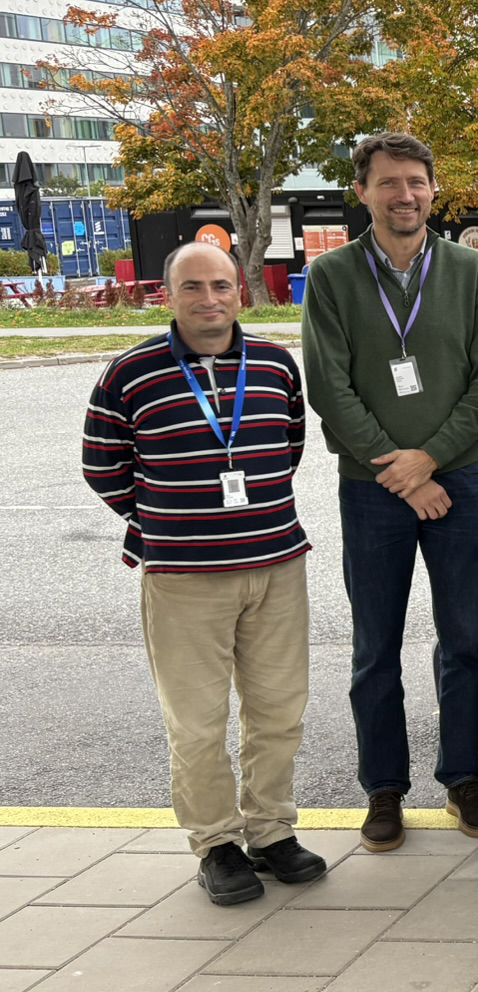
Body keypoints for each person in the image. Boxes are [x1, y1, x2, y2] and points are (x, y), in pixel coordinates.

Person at [82, 241, 327, 905]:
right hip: (184, 577)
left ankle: (271, 830)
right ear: (169, 293)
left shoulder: (276, 365)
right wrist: (167, 520)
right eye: (194, 287)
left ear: (240, 291)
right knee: (196, 722)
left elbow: (288, 449)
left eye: (221, 285)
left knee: (279, 711)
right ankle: (216, 843)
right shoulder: (129, 374)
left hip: (276, 567)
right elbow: (103, 466)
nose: (210, 299)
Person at [302, 132, 478, 853]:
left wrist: (430, 459)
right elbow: (330, 386)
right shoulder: (330, 277)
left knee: (466, 641)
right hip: (372, 489)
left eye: (417, 181)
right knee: (374, 649)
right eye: (389, 183)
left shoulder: (470, 271)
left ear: (434, 188)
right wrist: (397, 469)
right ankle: (383, 790)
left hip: (459, 480)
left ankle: (462, 777)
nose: (405, 195)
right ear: (362, 191)